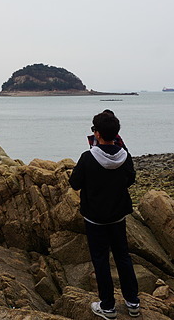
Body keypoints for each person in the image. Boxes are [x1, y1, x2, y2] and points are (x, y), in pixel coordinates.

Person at [69, 110, 140, 319]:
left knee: (101, 260)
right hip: (118, 215)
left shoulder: (88, 157)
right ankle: (133, 302)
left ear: (97, 134)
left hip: (95, 218)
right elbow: (130, 179)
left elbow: (74, 183)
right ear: (116, 135)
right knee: (123, 257)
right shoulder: (124, 156)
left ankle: (108, 306)